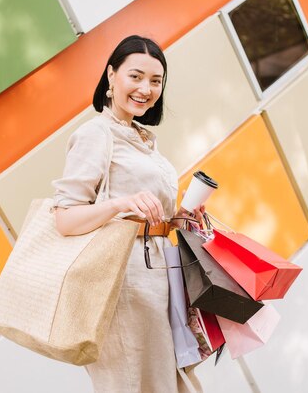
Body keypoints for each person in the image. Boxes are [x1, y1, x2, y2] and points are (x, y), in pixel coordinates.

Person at [52, 35, 203, 393]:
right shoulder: (95, 134)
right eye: (135, 76)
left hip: (159, 277)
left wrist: (178, 218)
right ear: (111, 76)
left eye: (155, 81)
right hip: (122, 283)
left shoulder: (144, 140)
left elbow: (148, 213)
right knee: (134, 381)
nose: (145, 88)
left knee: (170, 380)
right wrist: (121, 204)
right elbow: (65, 218)